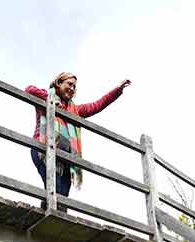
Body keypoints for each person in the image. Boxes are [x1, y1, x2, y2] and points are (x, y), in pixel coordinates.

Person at [25, 73, 130, 211]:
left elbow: (96, 105)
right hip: (43, 150)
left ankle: (56, 220)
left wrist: (117, 90)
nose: (72, 88)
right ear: (58, 83)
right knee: (53, 188)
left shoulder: (74, 110)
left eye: (74, 86)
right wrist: (50, 100)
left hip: (66, 158)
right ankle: (49, 215)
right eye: (69, 84)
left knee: (63, 196)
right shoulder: (47, 96)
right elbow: (29, 89)